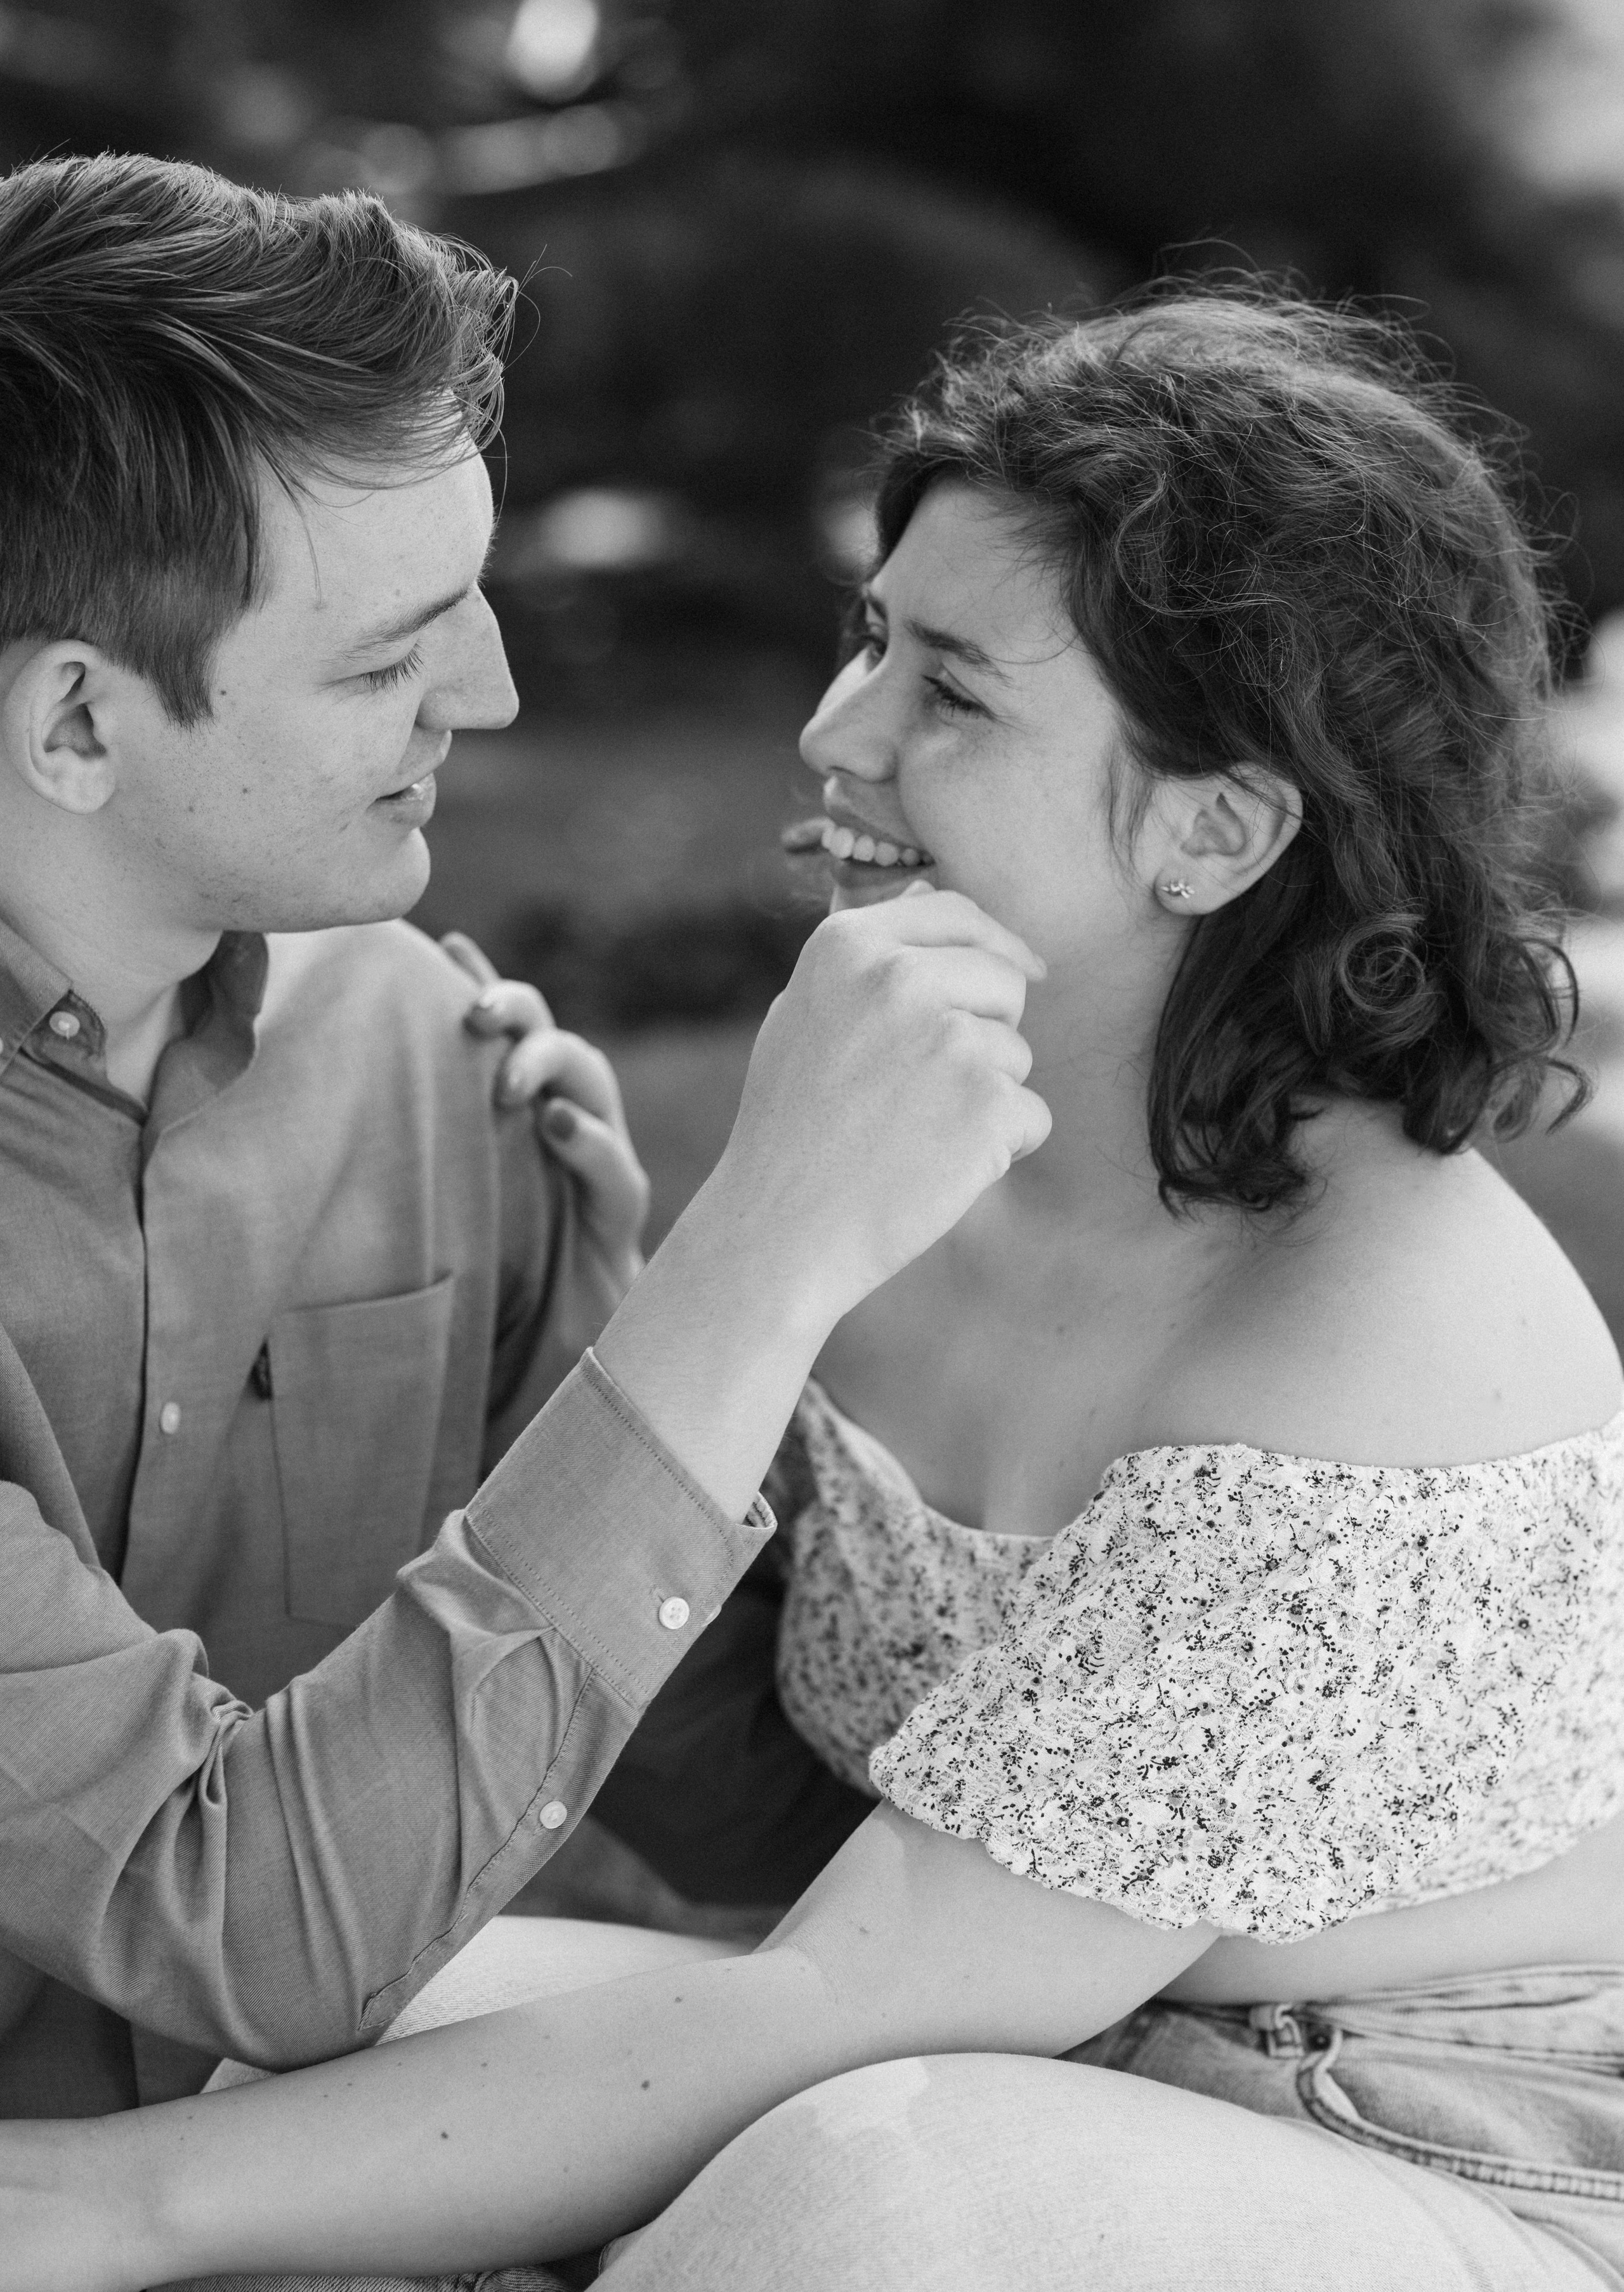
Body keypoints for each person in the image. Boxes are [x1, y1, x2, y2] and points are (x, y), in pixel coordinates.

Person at [10, 285, 1624, 2292]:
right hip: (980, 2053)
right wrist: (623, 1283)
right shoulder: (910, 1145)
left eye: (951, 691)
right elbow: (722, 1768)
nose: (834, 733)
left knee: (862, 2213)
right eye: (873, 636)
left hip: (1401, 2136)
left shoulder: (1388, 1336)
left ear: (1216, 827)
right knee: (283, 2069)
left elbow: (844, 2007)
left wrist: (84, 2207)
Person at [0, 154, 1049, 2122]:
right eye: (390, 658)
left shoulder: (432, 1063)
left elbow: (735, 1799)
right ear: (76, 728)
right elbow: (226, 1915)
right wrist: (752, 1272)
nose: (484, 696)